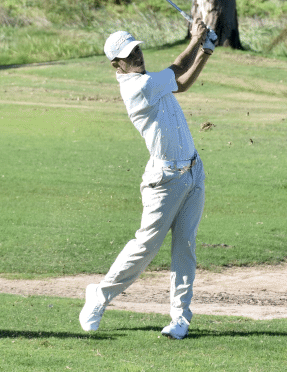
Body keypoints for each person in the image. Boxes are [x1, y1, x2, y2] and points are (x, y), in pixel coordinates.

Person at [80, 24, 215, 339]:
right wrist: (196, 39)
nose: (136, 55)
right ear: (117, 64)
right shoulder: (138, 87)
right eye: (129, 54)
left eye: (137, 49)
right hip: (164, 180)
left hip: (194, 171)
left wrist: (205, 52)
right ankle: (99, 296)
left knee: (186, 246)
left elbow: (180, 84)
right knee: (144, 248)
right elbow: (178, 68)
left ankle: (180, 319)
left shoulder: (151, 82)